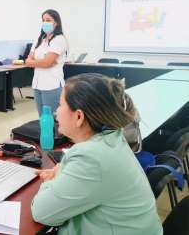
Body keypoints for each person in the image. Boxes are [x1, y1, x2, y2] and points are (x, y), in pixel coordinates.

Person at [31, 73, 163, 235]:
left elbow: (41, 212)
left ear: (79, 116)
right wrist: (64, 171)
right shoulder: (113, 136)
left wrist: (53, 179)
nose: (56, 112)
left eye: (60, 105)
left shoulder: (91, 158)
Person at [26, 9, 68, 116]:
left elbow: (46, 63)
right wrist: (44, 62)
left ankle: (52, 134)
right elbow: (28, 60)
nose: (45, 22)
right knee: (42, 118)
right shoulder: (40, 39)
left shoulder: (59, 39)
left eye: (48, 20)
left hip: (51, 85)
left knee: (52, 119)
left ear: (56, 23)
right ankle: (44, 134)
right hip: (37, 84)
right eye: (43, 20)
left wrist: (39, 62)